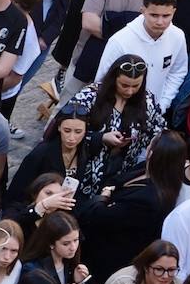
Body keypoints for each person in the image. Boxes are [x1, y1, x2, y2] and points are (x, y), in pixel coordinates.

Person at [80, 130, 185, 284]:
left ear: (153, 153)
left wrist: (104, 196)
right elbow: (116, 180)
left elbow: (100, 216)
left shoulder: (150, 199)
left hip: (109, 257)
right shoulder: (146, 170)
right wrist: (108, 194)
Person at [63, 54, 166, 195]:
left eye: (136, 86)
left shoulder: (147, 101)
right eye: (124, 85)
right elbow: (67, 131)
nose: (130, 91)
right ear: (113, 80)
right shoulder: (89, 97)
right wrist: (101, 138)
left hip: (120, 175)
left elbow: (158, 130)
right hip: (85, 171)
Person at [65, 0, 157, 95]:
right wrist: (132, 29)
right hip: (86, 58)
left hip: (123, 70)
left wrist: (109, 21)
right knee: (66, 105)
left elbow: (153, 32)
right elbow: (89, 23)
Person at [96, 0, 189, 105]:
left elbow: (177, 72)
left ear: (174, 12)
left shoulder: (178, 36)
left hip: (156, 111)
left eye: (166, 16)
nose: (160, 22)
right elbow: (103, 80)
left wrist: (163, 103)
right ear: (143, 10)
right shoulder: (119, 41)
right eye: (154, 15)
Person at [7, 104, 94, 206]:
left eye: (78, 132)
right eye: (67, 131)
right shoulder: (40, 154)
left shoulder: (85, 150)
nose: (71, 137)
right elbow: (17, 192)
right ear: (59, 127)